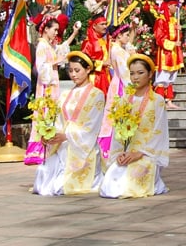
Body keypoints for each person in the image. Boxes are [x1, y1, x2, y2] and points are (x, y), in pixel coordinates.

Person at [33, 51, 105, 196]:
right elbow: (59, 120)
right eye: (70, 70)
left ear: (88, 69)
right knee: (43, 178)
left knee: (60, 187)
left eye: (77, 70)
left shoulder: (97, 94)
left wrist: (66, 135)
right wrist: (50, 135)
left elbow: (92, 127)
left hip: (83, 146)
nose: (73, 75)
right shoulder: (65, 94)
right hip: (63, 144)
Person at [99, 54, 169, 198]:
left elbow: (159, 133)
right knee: (109, 186)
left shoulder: (157, 101)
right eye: (132, 73)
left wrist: (140, 153)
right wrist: (119, 154)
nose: (135, 77)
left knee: (130, 184)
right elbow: (118, 131)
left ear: (150, 74)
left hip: (147, 154)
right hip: (127, 153)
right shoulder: (124, 100)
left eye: (140, 73)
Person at [24, 17, 80, 165]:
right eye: (54, 29)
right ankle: (40, 148)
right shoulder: (42, 46)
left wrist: (74, 34)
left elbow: (61, 49)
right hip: (46, 85)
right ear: (46, 29)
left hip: (52, 84)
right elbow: (41, 67)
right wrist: (55, 62)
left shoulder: (49, 46)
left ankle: (48, 146)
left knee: (51, 113)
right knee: (45, 113)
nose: (56, 32)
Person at [98, 22, 137, 159]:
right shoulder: (117, 50)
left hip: (118, 83)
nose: (127, 38)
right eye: (126, 35)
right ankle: (111, 147)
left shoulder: (118, 49)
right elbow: (125, 71)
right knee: (117, 116)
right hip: (121, 84)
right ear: (119, 35)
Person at [153, 0, 184, 110]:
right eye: (175, 6)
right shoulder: (161, 20)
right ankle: (160, 101)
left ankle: (169, 101)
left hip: (174, 53)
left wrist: (179, 32)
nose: (176, 8)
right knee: (162, 77)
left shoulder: (174, 20)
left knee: (171, 77)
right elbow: (159, 38)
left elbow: (176, 37)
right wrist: (172, 44)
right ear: (169, 5)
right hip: (165, 53)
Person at [81, 15, 110, 96]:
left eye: (105, 24)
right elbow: (84, 62)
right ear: (94, 26)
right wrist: (102, 64)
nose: (105, 27)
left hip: (105, 77)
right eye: (102, 24)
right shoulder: (88, 43)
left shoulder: (103, 40)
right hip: (94, 79)